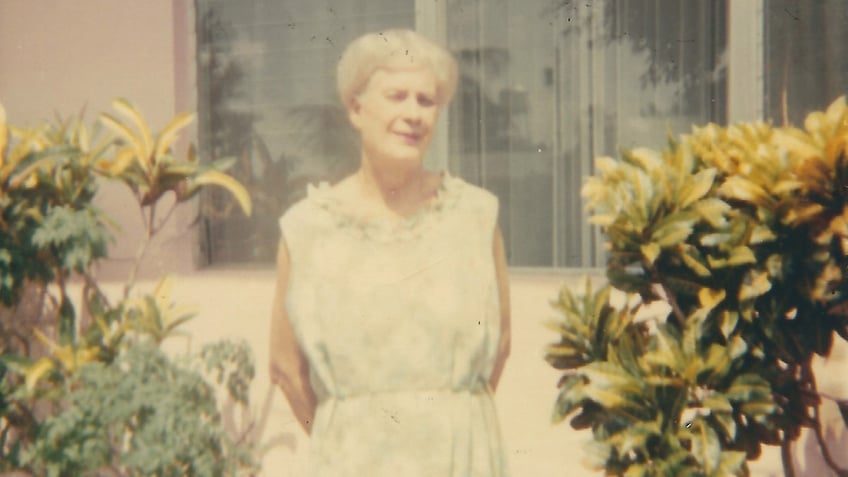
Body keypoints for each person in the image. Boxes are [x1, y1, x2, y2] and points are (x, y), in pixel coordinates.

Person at [269, 28, 511, 476]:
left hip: (463, 459)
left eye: (426, 100)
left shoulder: (476, 218)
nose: (413, 113)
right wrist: (349, 432)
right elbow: (285, 367)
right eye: (397, 96)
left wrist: (445, 419)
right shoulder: (307, 229)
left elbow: (500, 348)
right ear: (356, 108)